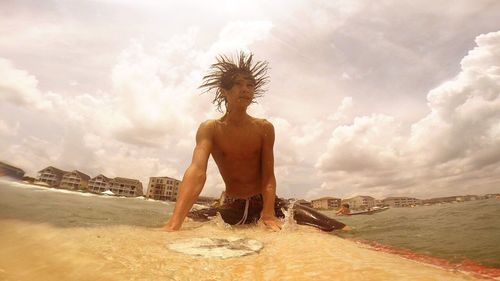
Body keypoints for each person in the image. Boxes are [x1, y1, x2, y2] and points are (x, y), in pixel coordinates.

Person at [163, 52, 348, 232]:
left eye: (250, 85)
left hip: (268, 203)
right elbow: (197, 170)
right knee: (187, 220)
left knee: (338, 228)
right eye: (238, 84)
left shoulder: (264, 128)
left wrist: (267, 213)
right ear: (224, 91)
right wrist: (175, 220)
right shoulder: (210, 128)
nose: (246, 89)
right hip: (233, 205)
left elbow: (268, 176)